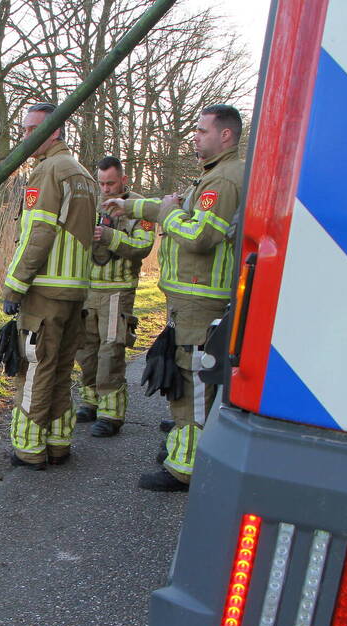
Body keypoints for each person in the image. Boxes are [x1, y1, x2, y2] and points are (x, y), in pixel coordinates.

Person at [103, 104, 244, 491]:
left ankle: (186, 467)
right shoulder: (215, 176)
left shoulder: (223, 182)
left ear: (226, 135)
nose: (195, 137)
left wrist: (166, 215)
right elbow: (174, 208)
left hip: (201, 300)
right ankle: (186, 449)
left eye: (202, 131)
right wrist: (130, 206)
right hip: (191, 298)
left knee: (194, 378)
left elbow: (199, 236)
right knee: (190, 375)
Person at [2, 102, 98, 468]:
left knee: (35, 368)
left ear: (54, 131)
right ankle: (58, 443)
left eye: (31, 129)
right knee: (59, 367)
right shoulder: (82, 174)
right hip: (75, 290)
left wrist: (15, 285)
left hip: (44, 290)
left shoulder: (47, 172)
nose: (25, 136)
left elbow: (37, 234)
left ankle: (28, 448)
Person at [75, 156, 154, 437]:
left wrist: (109, 237)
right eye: (102, 183)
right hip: (87, 292)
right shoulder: (92, 206)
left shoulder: (138, 207)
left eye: (111, 183)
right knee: (85, 350)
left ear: (123, 179)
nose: (106, 188)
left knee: (111, 352)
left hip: (117, 293)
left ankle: (111, 414)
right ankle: (90, 401)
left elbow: (143, 247)